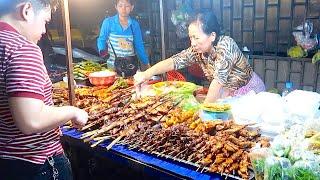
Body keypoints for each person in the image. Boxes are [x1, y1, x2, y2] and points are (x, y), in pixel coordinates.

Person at [0, 0, 88, 179]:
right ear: (27, 10)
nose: (44, 30)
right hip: (36, 165)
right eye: (45, 21)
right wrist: (73, 112)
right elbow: (31, 120)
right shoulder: (22, 48)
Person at [134, 12, 265, 103]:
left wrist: (205, 111)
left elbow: (217, 82)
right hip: (226, 93)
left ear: (212, 35)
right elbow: (173, 62)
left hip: (249, 93)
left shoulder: (226, 45)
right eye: (191, 37)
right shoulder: (197, 49)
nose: (193, 43)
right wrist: (146, 74)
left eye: (196, 37)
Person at [97, 0, 150, 77]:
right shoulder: (108, 22)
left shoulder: (134, 25)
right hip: (113, 66)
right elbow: (101, 39)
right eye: (120, 6)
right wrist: (102, 52)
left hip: (131, 65)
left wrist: (146, 63)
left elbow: (139, 46)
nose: (123, 9)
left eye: (127, 6)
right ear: (116, 7)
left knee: (132, 86)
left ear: (132, 7)